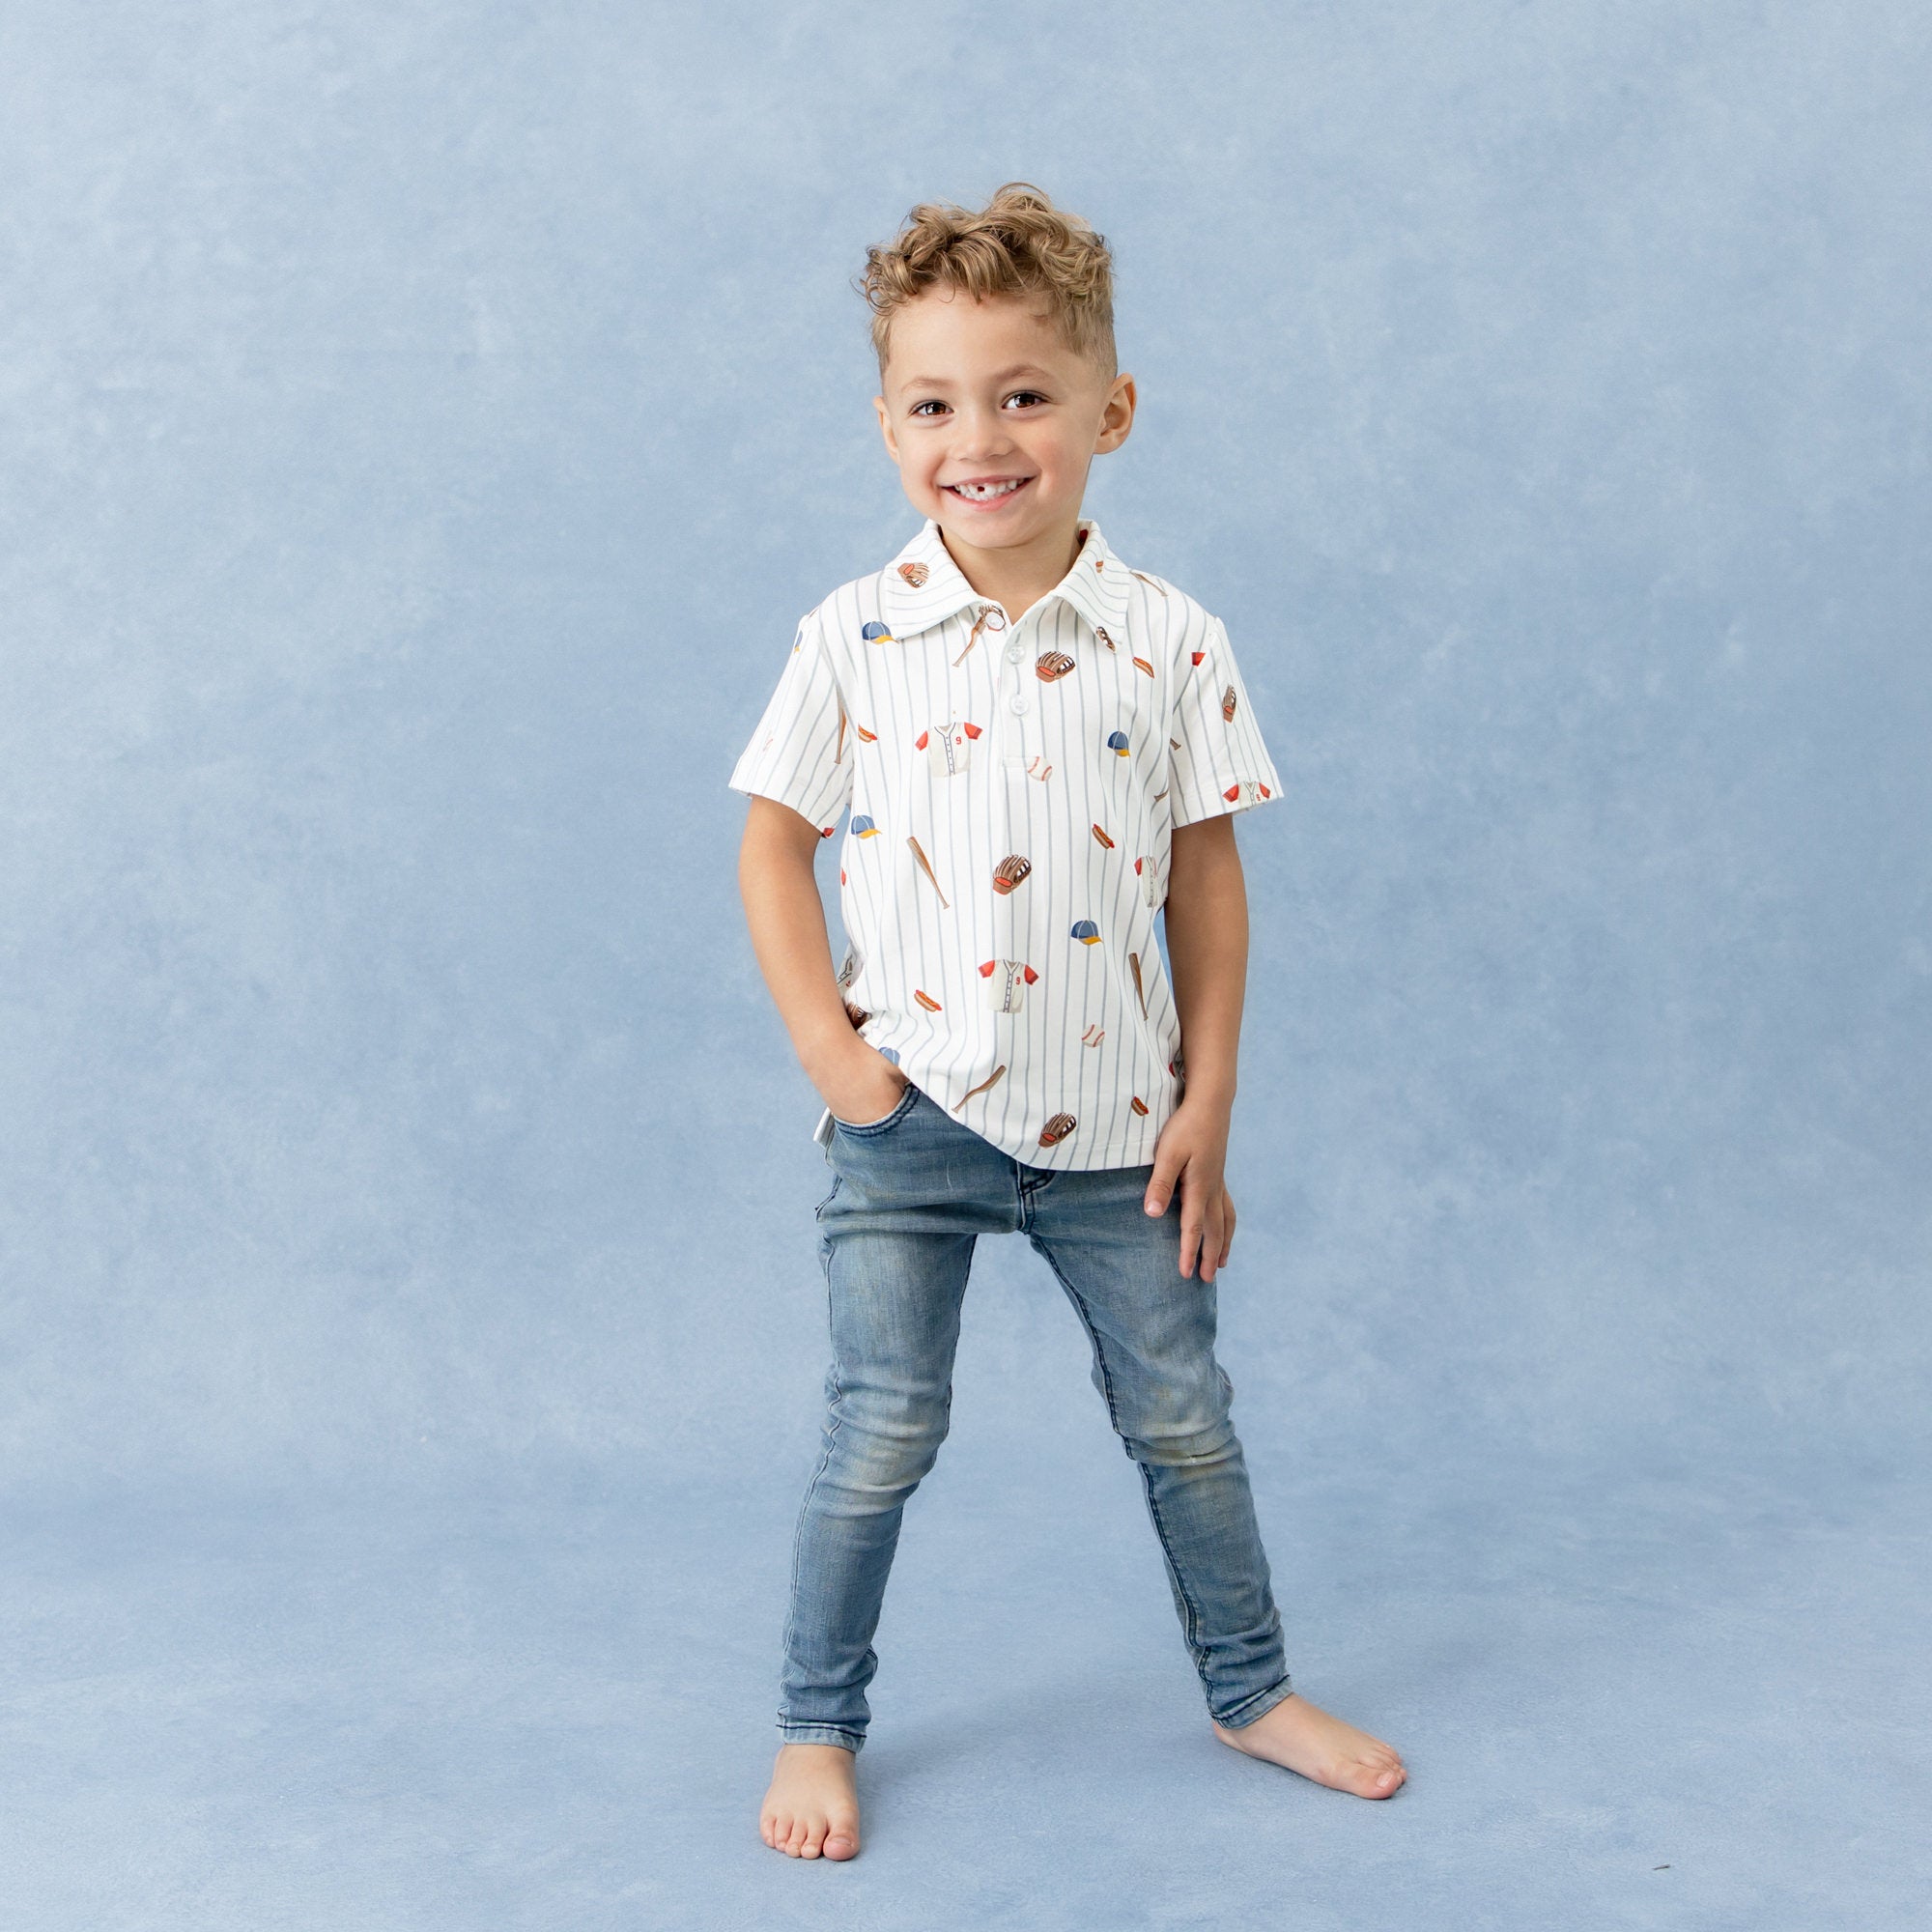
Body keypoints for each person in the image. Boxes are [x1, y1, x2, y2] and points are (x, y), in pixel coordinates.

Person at [728, 183, 1407, 1862]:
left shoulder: (1169, 641)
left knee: (1185, 1417)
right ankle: (817, 1727)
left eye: (1027, 393)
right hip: (911, 1123)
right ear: (889, 424)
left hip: (1121, 1130)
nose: (985, 436)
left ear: (1110, 409)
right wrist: (837, 1059)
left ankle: (1250, 1690)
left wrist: (1210, 1099)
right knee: (882, 1427)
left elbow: (1208, 878)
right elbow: (771, 844)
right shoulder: (855, 634)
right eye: (938, 402)